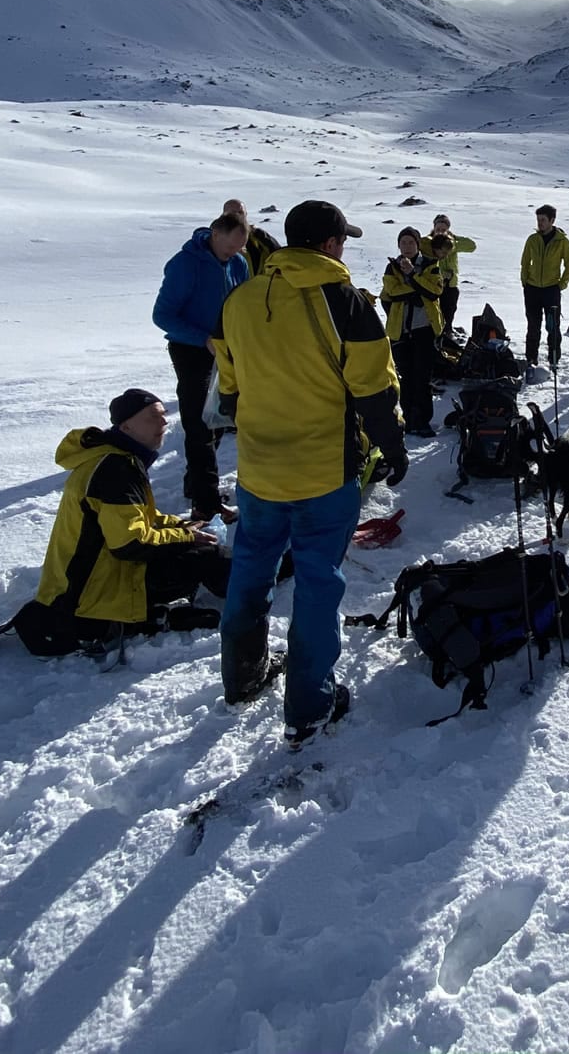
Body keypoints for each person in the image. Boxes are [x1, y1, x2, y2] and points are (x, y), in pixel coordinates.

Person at [211, 200, 408, 742]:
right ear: (327, 244)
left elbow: (228, 391)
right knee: (318, 586)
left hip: (257, 472)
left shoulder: (240, 298)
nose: (343, 248)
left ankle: (243, 676)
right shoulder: (345, 301)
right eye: (341, 240)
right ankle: (308, 706)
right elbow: (374, 389)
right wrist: (393, 447)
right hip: (324, 473)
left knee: (251, 568)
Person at [34, 389, 231, 643]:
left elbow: (137, 517)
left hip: (85, 583)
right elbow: (130, 543)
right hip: (90, 597)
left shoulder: (113, 458)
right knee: (206, 556)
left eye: (163, 415)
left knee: (190, 546)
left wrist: (180, 525)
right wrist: (185, 536)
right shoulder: (117, 469)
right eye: (152, 417)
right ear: (126, 427)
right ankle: (261, 583)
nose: (163, 422)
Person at [152, 211, 249, 522]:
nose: (234, 253)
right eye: (229, 247)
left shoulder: (238, 264)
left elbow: (242, 306)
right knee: (199, 424)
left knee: (219, 418)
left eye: (239, 248)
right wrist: (202, 338)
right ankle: (205, 504)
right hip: (191, 350)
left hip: (226, 350)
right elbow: (163, 315)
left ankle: (196, 484)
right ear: (215, 234)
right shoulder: (186, 263)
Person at [381, 227, 447, 437]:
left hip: (424, 330)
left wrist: (411, 275)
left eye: (411, 243)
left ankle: (423, 421)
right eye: (403, 243)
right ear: (398, 246)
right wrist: (417, 291)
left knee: (422, 377)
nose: (407, 247)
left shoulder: (430, 265)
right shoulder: (392, 267)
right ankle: (409, 420)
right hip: (400, 331)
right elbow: (390, 292)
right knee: (405, 378)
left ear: (418, 245)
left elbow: (435, 291)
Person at [519, 204, 569, 372]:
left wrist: (561, 284)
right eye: (538, 219)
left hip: (551, 290)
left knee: (552, 326)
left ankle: (553, 359)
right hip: (532, 289)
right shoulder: (532, 239)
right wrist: (525, 282)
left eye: (543, 220)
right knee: (533, 326)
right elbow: (524, 262)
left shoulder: (562, 241)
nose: (540, 223)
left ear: (552, 220)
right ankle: (531, 358)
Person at [429, 213, 476, 342]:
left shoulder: (452, 242)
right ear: (434, 227)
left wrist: (451, 243)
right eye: (438, 228)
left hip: (451, 286)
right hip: (434, 286)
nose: (440, 232)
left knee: (449, 315)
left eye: (444, 229)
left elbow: (472, 246)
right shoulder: (428, 242)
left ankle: (447, 338)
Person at [224, 198, 281, 277]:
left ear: (246, 214)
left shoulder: (259, 237)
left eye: (240, 212)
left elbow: (280, 256)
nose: (237, 216)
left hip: (257, 286)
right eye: (232, 213)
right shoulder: (214, 240)